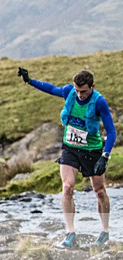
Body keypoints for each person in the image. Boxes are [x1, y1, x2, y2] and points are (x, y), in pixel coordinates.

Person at [18, 67, 116, 247]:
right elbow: (51, 89)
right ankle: (70, 233)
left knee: (99, 191)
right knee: (68, 187)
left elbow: (111, 131)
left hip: (92, 150)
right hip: (70, 148)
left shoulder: (99, 102)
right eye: (77, 90)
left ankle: (105, 231)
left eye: (84, 91)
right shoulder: (69, 92)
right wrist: (29, 80)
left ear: (92, 86)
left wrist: (105, 156)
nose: (79, 95)